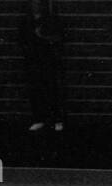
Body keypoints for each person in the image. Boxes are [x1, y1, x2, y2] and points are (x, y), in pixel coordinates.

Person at [20, 0, 65, 132]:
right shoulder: (25, 21)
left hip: (47, 60)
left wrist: (43, 37)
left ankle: (57, 119)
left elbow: (59, 38)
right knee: (35, 91)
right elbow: (20, 40)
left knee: (52, 90)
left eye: (38, 3)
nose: (36, 6)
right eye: (34, 3)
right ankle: (39, 119)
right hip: (32, 60)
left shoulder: (50, 20)